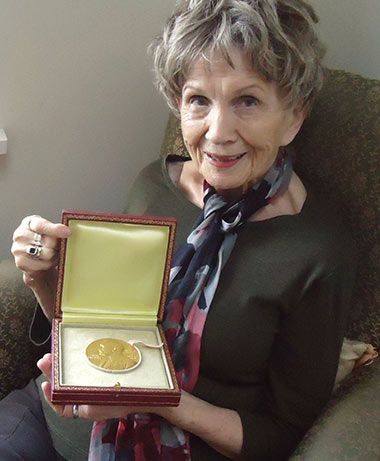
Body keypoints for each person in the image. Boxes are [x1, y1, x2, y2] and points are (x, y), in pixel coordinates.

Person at [3, 0, 357, 460]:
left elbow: (282, 434)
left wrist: (160, 401)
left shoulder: (318, 249)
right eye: (199, 101)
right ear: (179, 104)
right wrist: (42, 277)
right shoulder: (156, 185)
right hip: (53, 422)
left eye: (247, 101)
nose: (217, 132)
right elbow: (99, 325)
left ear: (293, 116)